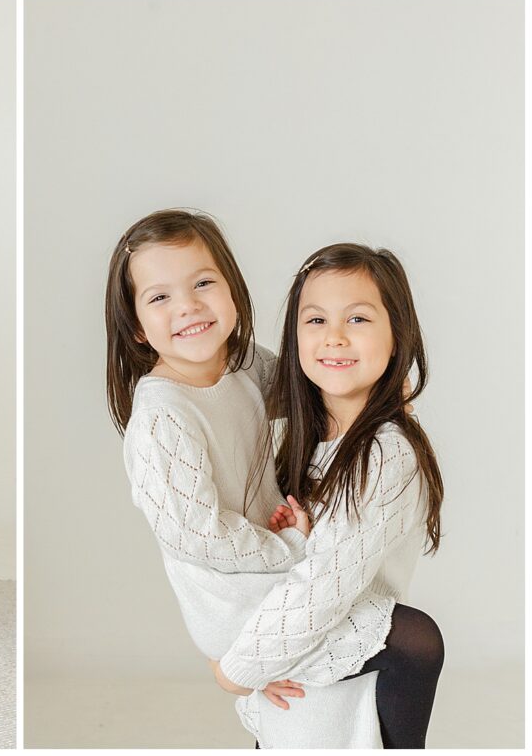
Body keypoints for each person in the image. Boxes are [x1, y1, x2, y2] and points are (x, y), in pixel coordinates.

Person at [105, 210, 441, 747]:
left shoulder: (238, 365)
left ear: (233, 292)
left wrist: (389, 387)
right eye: (159, 297)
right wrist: (287, 548)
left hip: (278, 579)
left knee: (327, 714)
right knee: (415, 638)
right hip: (243, 594)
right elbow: (198, 536)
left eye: (202, 283)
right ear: (137, 326)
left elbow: (305, 376)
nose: (188, 306)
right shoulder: (160, 415)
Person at [214, 243, 444, 748]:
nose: (335, 337)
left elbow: (326, 586)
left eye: (358, 318)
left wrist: (240, 668)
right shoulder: (309, 438)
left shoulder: (385, 453)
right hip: (300, 644)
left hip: (344, 642)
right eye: (315, 320)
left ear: (397, 336)